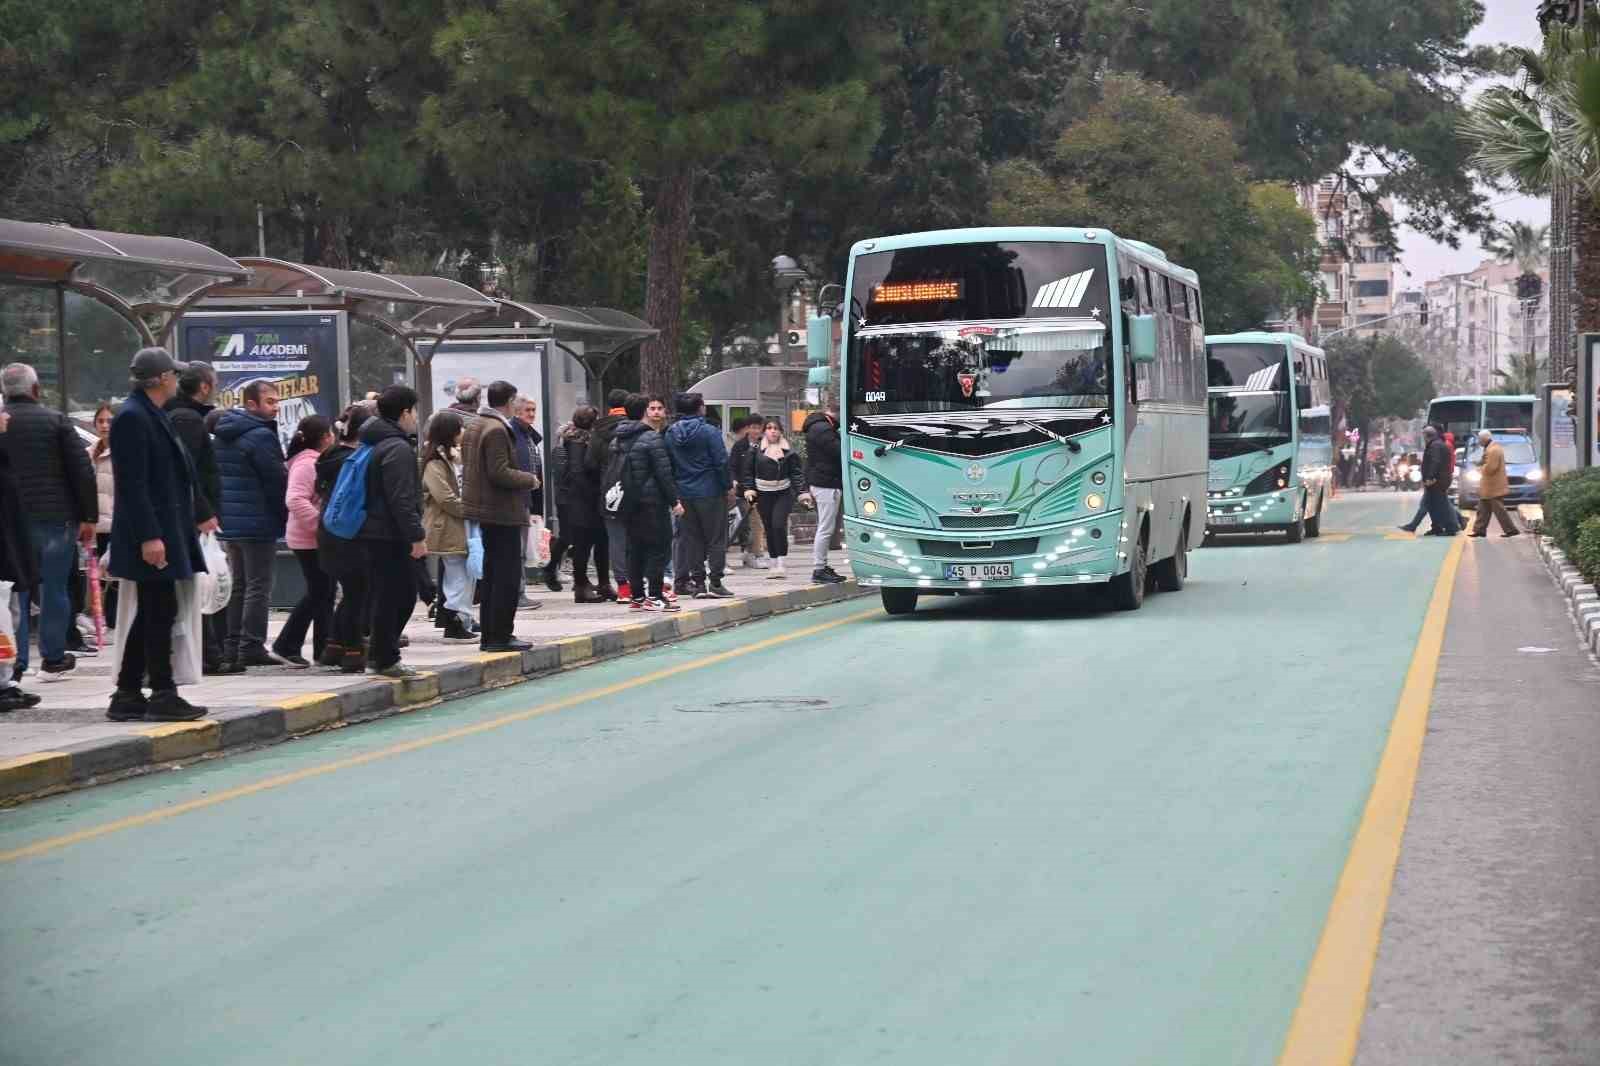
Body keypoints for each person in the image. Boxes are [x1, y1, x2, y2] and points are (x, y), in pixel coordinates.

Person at [106, 349, 216, 722]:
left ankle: (128, 691)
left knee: (156, 609)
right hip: (151, 534)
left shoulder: (151, 413)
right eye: (173, 374)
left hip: (164, 528)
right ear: (161, 378)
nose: (176, 380)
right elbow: (134, 484)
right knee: (159, 610)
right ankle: (162, 693)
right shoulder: (134, 417)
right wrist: (150, 537)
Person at [0, 362, 96, 682]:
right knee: (54, 588)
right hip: (56, 519)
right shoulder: (56, 421)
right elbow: (81, 471)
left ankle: (17, 661)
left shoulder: (3, 424)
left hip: (11, 521)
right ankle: (53, 657)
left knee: (17, 591)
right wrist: (88, 517)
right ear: (37, 390)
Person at [461, 380, 542, 652]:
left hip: (485, 509)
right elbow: (498, 471)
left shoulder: (476, 425)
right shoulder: (496, 429)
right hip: (501, 511)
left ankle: (492, 635)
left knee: (493, 576)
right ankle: (500, 635)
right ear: (509, 402)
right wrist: (529, 479)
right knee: (505, 576)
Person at [213, 381, 290, 668]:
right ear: (251, 404)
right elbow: (275, 480)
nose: (276, 407)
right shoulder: (260, 435)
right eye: (270, 402)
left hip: (232, 520)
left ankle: (232, 644)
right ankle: (251, 645)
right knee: (258, 585)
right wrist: (282, 515)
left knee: (240, 585)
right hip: (258, 519)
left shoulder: (224, 431)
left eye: (276, 401)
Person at [164, 363, 230, 673]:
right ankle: (208, 654)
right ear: (203, 386)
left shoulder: (183, 415)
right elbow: (185, 472)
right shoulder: (187, 419)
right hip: (191, 518)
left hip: (190, 514)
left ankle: (210, 652)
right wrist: (203, 512)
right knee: (198, 584)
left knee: (199, 584)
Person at [357, 386, 427, 676]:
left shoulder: (377, 442)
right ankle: (384, 657)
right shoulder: (397, 448)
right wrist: (416, 536)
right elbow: (401, 498)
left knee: (389, 594)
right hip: (390, 533)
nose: (416, 418)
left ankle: (380, 654)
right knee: (399, 595)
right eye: (414, 411)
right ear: (405, 412)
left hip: (376, 530)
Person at [272, 414, 335, 666]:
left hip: (316, 538)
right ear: (323, 438)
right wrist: (320, 523)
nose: (333, 437)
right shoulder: (306, 464)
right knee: (319, 592)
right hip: (307, 539)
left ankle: (323, 648)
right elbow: (295, 499)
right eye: (330, 433)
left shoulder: (316, 461)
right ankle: (286, 644)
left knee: (325, 592)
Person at [318, 404, 374, 671]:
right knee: (357, 594)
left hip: (329, 530)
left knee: (351, 592)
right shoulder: (355, 460)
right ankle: (353, 651)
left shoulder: (330, 455)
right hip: (351, 533)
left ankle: (335, 645)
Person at [616, 395, 683, 611]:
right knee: (659, 548)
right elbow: (664, 474)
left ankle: (636, 596)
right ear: (644, 411)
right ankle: (654, 596)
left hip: (627, 501)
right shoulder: (652, 438)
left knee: (634, 549)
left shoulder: (617, 438)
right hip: (652, 501)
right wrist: (675, 502)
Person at [666, 392, 734, 598]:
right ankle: (715, 581)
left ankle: (698, 583)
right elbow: (721, 462)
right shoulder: (709, 432)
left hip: (684, 492)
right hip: (710, 490)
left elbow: (668, 463)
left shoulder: (670, 433)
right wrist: (727, 486)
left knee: (691, 538)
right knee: (715, 538)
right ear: (700, 408)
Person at [421, 411, 478, 641]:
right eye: (459, 428)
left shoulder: (454, 456)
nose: (462, 433)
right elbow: (444, 497)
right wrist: (469, 509)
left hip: (463, 523)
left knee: (468, 573)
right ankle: (454, 619)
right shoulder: (434, 461)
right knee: (457, 574)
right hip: (448, 524)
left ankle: (463, 618)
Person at [0, 407, 41, 711]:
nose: (7, 416)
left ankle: (7, 681)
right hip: (5, 548)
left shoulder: (5, 451)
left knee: (10, 615)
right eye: (1, 412)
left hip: (11, 545)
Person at [557, 406, 613, 603]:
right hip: (582, 501)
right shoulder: (577, 442)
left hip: (588, 499)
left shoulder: (585, 440)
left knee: (601, 541)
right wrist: (594, 492)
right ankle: (581, 586)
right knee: (583, 545)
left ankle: (604, 583)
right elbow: (577, 472)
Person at [743, 418, 810, 580]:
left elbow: (796, 474)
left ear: (780, 431)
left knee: (778, 525)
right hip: (763, 492)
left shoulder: (789, 451)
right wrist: (749, 489)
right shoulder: (755, 450)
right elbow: (748, 472)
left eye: (776, 428)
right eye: (769, 428)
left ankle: (781, 562)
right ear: (764, 431)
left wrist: (802, 492)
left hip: (783, 492)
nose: (773, 431)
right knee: (769, 527)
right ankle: (773, 562)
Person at [74, 402, 118, 649]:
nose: (105, 426)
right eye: (101, 421)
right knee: (96, 576)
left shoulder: (124, 453)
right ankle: (98, 621)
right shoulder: (89, 453)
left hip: (116, 524)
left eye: (109, 421)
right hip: (95, 525)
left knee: (115, 577)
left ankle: (111, 623)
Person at [588, 389, 635, 602]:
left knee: (616, 540)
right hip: (634, 490)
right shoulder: (635, 428)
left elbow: (590, 463)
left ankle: (623, 587)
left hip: (609, 491)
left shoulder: (598, 431)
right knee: (636, 538)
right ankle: (638, 584)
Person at [803, 406, 846, 583]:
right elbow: (839, 452)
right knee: (825, 528)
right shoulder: (823, 429)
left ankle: (821, 566)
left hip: (822, 482)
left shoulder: (817, 428)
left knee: (825, 527)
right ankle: (819, 569)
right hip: (826, 484)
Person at [510, 394, 545, 605]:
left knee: (522, 550)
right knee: (517, 550)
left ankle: (519, 591)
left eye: (533, 410)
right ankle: (517, 593)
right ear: (516, 411)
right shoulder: (514, 434)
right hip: (517, 498)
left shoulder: (529, 435)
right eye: (528, 410)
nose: (532, 414)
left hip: (527, 498)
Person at [728, 415, 769, 569]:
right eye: (752, 427)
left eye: (758, 428)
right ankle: (753, 553)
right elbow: (732, 466)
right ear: (747, 428)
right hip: (744, 491)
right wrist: (734, 481)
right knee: (748, 524)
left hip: (762, 489)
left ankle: (753, 554)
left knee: (756, 522)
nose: (755, 431)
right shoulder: (740, 446)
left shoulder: (765, 445)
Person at [1467, 429, 1522, 539]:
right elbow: (1486, 462)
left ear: (1484, 439)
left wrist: (1479, 469)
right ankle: (1479, 530)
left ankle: (1511, 530)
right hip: (1489, 486)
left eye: (1479, 439)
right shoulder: (1490, 448)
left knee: (1499, 510)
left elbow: (1491, 468)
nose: (1478, 441)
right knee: (1483, 509)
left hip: (1493, 486)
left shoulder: (1493, 450)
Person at [1418, 425, 1458, 537]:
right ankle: (1437, 527)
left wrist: (1430, 477)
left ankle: (1451, 527)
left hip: (1438, 480)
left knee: (1442, 504)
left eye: (1423, 435)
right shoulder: (1437, 444)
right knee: (1434, 504)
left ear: (1426, 435)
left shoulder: (1436, 446)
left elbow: (1435, 463)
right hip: (1440, 479)